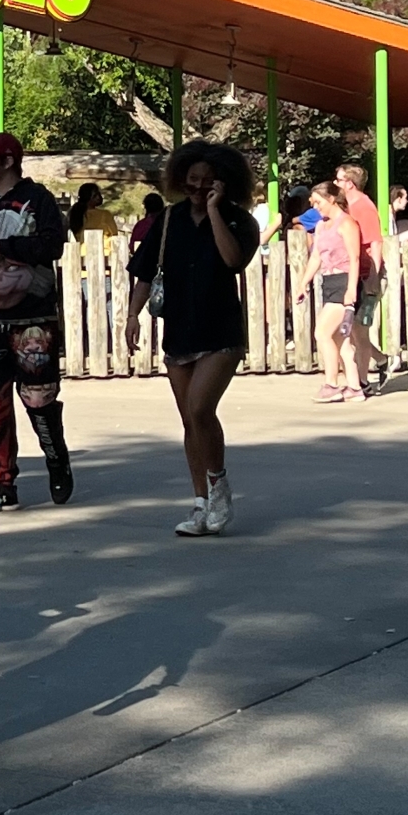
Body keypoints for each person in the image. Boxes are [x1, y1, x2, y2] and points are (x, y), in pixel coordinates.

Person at [123, 142, 261, 536]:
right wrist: (132, 315)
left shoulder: (239, 221)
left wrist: (214, 211)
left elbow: (233, 260)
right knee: (189, 420)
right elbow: (145, 273)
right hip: (179, 330)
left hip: (220, 331)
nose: (198, 188)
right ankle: (201, 503)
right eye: (192, 180)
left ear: (224, 182)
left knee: (201, 409)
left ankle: (219, 489)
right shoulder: (169, 219)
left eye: (208, 181)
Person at [0, 132, 73, 507]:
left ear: (8, 161)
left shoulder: (38, 199)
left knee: (39, 398)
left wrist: (4, 247)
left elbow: (52, 244)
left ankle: (56, 457)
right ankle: (2, 479)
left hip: (34, 316)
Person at [294, 182, 366, 403]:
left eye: (319, 202)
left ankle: (331, 384)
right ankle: (355, 387)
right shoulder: (321, 226)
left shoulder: (347, 223)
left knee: (322, 333)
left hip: (345, 280)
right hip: (329, 281)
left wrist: (351, 289)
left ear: (332, 199)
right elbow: (316, 256)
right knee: (339, 339)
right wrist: (303, 283)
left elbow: (354, 258)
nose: (316, 207)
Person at [334, 163, 386, 385]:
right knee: (351, 329)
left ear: (350, 184)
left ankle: (362, 382)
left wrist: (374, 275)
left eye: (338, 180)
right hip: (352, 272)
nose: (335, 183)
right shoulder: (347, 206)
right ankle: (382, 360)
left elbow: (375, 242)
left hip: (365, 273)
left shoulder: (364, 207)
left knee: (359, 331)